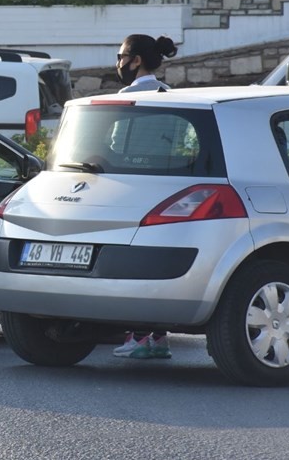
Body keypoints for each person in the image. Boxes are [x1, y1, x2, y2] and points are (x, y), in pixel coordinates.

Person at [112, 33, 178, 360]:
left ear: (136, 60)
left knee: (133, 268)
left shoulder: (128, 96)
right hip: (169, 194)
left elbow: (114, 147)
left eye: (121, 56)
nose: (118, 63)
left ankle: (136, 337)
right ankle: (159, 337)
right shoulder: (171, 94)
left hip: (135, 193)